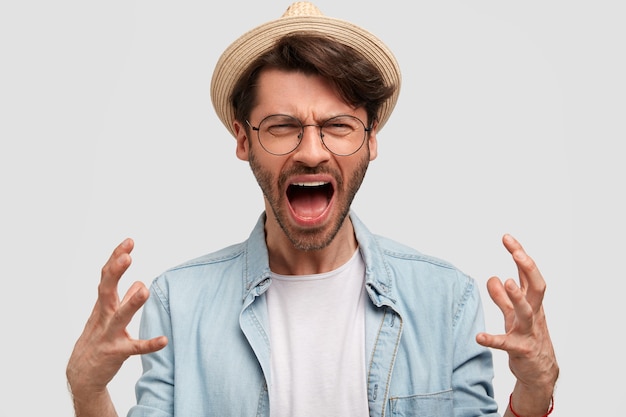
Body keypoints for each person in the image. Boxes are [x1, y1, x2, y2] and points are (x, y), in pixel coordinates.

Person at [66, 2, 559, 416]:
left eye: (338, 125)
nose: (311, 151)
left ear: (370, 140)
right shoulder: (179, 303)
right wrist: (88, 392)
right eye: (282, 126)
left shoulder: (446, 301)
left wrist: (535, 393)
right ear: (243, 139)